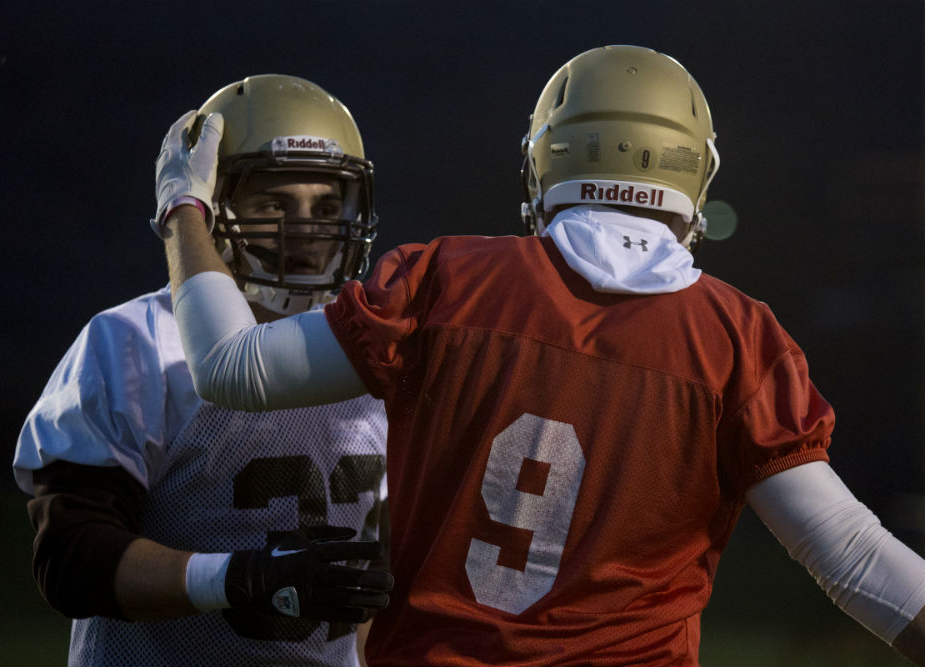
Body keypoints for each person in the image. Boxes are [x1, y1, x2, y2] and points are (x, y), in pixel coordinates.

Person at [156, 47, 925, 666]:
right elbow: (852, 554)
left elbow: (232, 367)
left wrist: (183, 210)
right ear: (695, 171)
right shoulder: (735, 337)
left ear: (545, 161)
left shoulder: (447, 281)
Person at [13, 74, 393, 667]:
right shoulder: (134, 341)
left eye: (325, 206)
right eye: (274, 204)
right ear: (216, 207)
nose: (307, 231)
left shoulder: (372, 348)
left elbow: (370, 588)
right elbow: (71, 557)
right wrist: (237, 577)